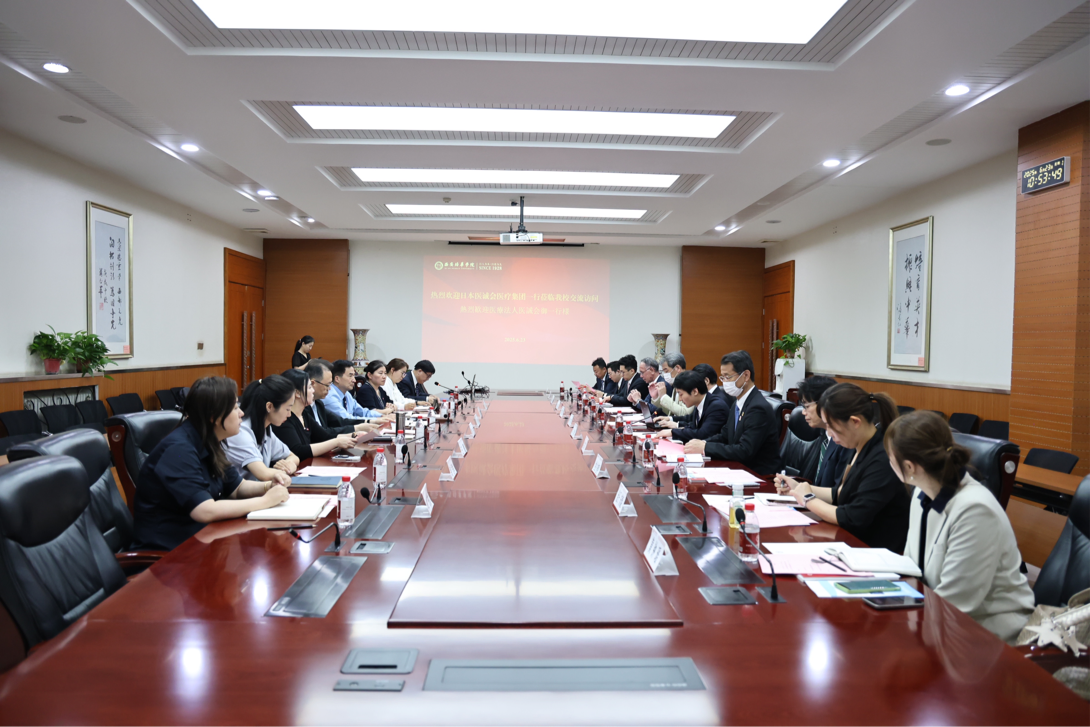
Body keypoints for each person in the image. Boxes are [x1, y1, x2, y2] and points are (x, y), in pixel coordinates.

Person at [886, 411, 1034, 642]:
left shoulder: (975, 510)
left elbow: (955, 604)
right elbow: (911, 569)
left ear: (909, 467)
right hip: (936, 621)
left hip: (988, 637)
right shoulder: (921, 495)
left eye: (889, 457)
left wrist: (896, 626)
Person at [132, 376, 289, 551]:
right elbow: (205, 510)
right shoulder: (179, 450)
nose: (242, 413)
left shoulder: (210, 441)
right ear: (215, 416)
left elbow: (237, 488)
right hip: (169, 553)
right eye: (235, 408)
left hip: (203, 542)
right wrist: (266, 501)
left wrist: (268, 486)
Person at [775, 382, 910, 552]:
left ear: (855, 422)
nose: (829, 433)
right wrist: (799, 488)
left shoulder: (882, 458)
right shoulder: (858, 446)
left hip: (873, 552)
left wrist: (807, 499)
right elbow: (841, 493)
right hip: (851, 543)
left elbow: (851, 517)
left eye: (832, 427)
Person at [684, 351, 782, 475]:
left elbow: (744, 450)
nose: (724, 382)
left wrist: (705, 448)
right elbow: (725, 435)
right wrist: (703, 442)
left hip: (759, 475)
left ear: (746, 375)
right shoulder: (737, 402)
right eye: (722, 377)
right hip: (739, 469)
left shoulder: (758, 408)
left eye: (728, 377)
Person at [223, 376, 299, 482]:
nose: (289, 414)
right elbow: (263, 474)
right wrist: (287, 470)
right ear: (269, 407)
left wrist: (289, 465)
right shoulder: (241, 431)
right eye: (287, 409)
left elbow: (293, 456)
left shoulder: (265, 429)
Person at [273, 369, 358, 461]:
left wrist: (354, 435)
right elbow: (298, 451)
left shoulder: (304, 414)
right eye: (310, 387)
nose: (313, 391)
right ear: (297, 393)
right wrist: (336, 442)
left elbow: (324, 436)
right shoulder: (284, 418)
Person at [304, 359, 386, 439]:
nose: (354, 380)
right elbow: (325, 432)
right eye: (327, 385)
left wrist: (376, 419)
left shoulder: (319, 403)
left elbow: (343, 420)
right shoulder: (328, 397)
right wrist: (358, 428)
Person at [797, 375, 849, 488]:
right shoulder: (822, 433)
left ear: (824, 402)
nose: (803, 412)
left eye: (806, 406)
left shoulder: (845, 442)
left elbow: (837, 492)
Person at [651, 370, 729, 443]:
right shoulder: (700, 403)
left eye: (681, 394)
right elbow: (692, 424)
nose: (680, 399)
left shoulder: (716, 407)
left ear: (695, 391)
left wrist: (672, 432)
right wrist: (672, 422)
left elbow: (703, 434)